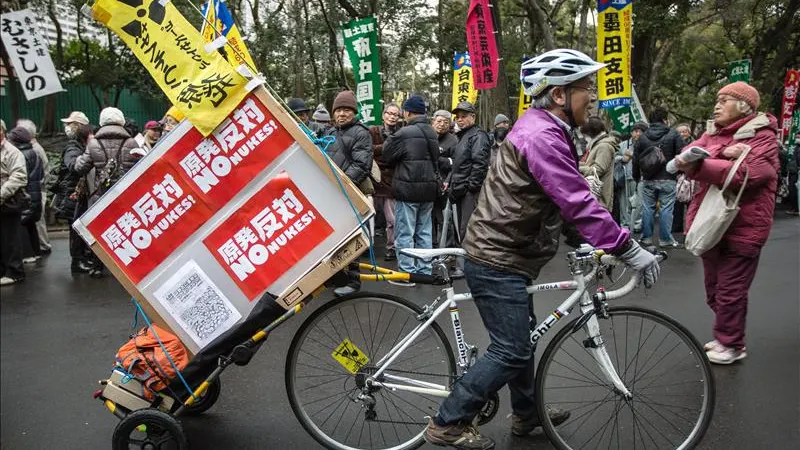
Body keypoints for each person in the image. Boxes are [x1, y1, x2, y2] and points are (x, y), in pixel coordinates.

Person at [424, 49, 659, 449]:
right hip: (499, 258)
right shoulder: (541, 135)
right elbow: (575, 201)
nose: (593, 96)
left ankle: (527, 414)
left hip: (510, 255)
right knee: (512, 349)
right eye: (586, 88)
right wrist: (625, 246)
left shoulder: (545, 130)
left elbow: (558, 202)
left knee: (523, 341)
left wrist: (590, 241)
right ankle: (449, 421)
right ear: (558, 95)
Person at [675, 81, 779, 365]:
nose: (717, 105)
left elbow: (751, 173)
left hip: (745, 226)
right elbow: (683, 158)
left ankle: (732, 343)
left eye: (725, 100)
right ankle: (726, 333)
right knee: (714, 289)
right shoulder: (713, 134)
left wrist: (705, 163)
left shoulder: (764, 136)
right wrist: (724, 154)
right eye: (717, 99)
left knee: (731, 289)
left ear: (744, 106)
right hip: (712, 224)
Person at [382, 95, 440, 284]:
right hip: (429, 190)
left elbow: (387, 155)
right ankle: (424, 270)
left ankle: (407, 273)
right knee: (424, 232)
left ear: (407, 112)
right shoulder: (432, 132)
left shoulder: (404, 133)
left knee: (405, 233)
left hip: (408, 190)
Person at [75, 107, 139, 277]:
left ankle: (97, 266)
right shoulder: (131, 143)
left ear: (101, 122)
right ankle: (128, 270)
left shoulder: (93, 143)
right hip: (125, 195)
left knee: (100, 232)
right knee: (126, 231)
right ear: (122, 121)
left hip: (100, 195)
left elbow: (80, 167)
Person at [325, 90, 374, 296]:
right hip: (330, 193)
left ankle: (353, 281)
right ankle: (336, 275)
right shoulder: (330, 132)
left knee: (353, 237)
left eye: (346, 110)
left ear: (354, 112)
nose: (341, 114)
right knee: (332, 235)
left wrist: (343, 185)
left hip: (348, 192)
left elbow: (362, 164)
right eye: (338, 110)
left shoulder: (361, 133)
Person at [633, 107, 684, 248]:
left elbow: (635, 159)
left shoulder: (642, 137)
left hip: (648, 179)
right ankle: (665, 239)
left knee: (648, 208)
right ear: (664, 119)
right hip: (668, 178)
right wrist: (680, 173)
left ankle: (646, 238)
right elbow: (682, 154)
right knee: (666, 209)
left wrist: (637, 176)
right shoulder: (673, 134)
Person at [53, 116, 94, 274]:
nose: (67, 127)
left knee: (79, 227)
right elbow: (73, 165)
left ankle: (82, 258)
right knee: (76, 228)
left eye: (71, 124)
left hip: (77, 192)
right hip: (73, 192)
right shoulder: (73, 146)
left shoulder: (80, 144)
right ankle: (77, 261)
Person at [449, 101, 490, 247]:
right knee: (459, 227)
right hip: (460, 189)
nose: (459, 119)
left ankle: (466, 264)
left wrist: (471, 187)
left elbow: (480, 164)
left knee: (467, 229)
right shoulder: (463, 136)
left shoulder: (478, 136)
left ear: (472, 117)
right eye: (457, 117)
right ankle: (461, 263)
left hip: (468, 191)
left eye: (463, 116)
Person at [369, 103, 402, 261]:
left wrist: (380, 150)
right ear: (383, 115)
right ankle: (366, 247)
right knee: (368, 217)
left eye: (395, 114)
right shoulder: (372, 130)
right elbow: (368, 149)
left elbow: (400, 153)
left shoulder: (401, 133)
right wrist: (387, 147)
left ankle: (392, 248)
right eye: (389, 113)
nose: (392, 116)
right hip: (372, 179)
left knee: (392, 220)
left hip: (390, 181)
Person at [6, 127, 44, 265]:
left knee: (21, 223)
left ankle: (27, 255)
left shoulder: (20, 155)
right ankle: (36, 251)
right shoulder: (34, 153)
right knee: (30, 223)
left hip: (26, 194)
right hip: (35, 193)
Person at [16, 119, 51, 255]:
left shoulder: (34, 150)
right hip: (39, 188)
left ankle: (43, 245)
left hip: (38, 189)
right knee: (37, 220)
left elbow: (43, 173)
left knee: (38, 220)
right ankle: (41, 245)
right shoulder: (35, 148)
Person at [0, 120, 28, 286]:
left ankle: (14, 272)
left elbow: (19, 177)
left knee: (10, 238)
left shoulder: (12, 152)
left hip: (8, 201)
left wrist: (1, 194)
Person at [431, 109, 459, 253]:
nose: (442, 125)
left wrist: (447, 180)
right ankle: (431, 248)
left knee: (444, 220)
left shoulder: (453, 140)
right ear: (433, 122)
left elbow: (455, 164)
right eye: (439, 121)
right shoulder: (428, 136)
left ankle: (448, 250)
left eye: (446, 122)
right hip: (428, 185)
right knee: (428, 220)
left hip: (444, 184)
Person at [579, 116, 618, 210]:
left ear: (590, 132)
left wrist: (577, 167)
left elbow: (598, 170)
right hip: (595, 198)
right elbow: (591, 164)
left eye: (585, 134)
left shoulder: (604, 146)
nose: (585, 138)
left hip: (599, 199)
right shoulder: (598, 144)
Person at [629, 121, 649, 232]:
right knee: (639, 203)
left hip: (644, 177)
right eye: (634, 131)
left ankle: (640, 226)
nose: (636, 134)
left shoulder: (643, 144)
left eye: (639, 131)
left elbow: (636, 162)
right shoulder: (628, 144)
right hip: (641, 177)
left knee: (642, 204)